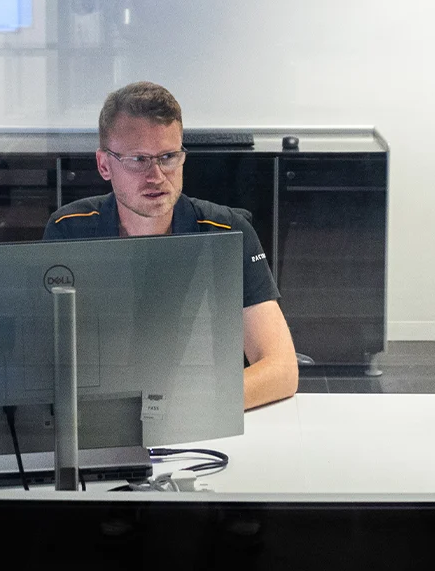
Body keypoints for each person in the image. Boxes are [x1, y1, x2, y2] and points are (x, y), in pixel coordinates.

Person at [44, 82, 299, 409]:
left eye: (168, 157)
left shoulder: (226, 232)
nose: (157, 175)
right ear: (104, 165)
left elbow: (281, 369)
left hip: (203, 421)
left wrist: (188, 406)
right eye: (138, 159)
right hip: (100, 420)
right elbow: (46, 363)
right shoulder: (70, 231)